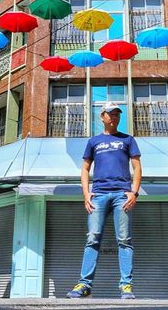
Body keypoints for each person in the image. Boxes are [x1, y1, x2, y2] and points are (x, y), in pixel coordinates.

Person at [67, 102, 142, 300]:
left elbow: (137, 167)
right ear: (102, 116)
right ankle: (85, 285)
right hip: (98, 194)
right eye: (110, 113)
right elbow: (85, 169)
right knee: (92, 238)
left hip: (122, 195)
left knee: (124, 240)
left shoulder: (128, 139)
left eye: (117, 114)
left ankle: (126, 286)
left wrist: (134, 192)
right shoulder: (94, 141)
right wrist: (86, 193)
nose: (114, 117)